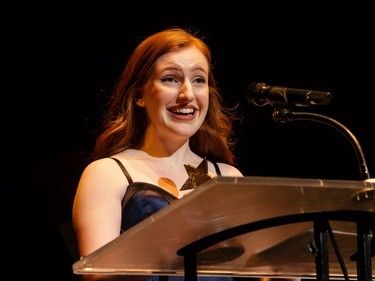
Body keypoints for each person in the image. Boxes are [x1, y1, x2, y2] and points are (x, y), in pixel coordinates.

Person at [72, 26, 244, 281]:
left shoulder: (229, 177)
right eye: (170, 79)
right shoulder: (108, 173)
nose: (187, 94)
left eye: (199, 80)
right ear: (140, 94)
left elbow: (253, 265)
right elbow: (98, 276)